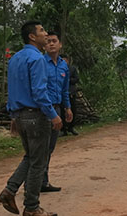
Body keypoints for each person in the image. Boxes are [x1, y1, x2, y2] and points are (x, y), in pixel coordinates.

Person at [0, 21, 61, 216]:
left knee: (31, 157)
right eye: (42, 31)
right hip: (36, 117)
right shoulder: (37, 59)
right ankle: (32, 207)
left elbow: (13, 89)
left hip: (21, 116)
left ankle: (9, 191)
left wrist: (14, 115)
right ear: (32, 36)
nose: (45, 34)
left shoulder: (16, 58)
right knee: (38, 162)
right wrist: (53, 115)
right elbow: (40, 93)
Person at [41, 31, 73, 192]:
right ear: (44, 46)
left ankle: (43, 181)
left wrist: (67, 108)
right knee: (41, 147)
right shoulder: (40, 63)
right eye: (48, 42)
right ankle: (34, 182)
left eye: (54, 41)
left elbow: (64, 90)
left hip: (57, 108)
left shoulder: (63, 65)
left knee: (50, 147)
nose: (51, 44)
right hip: (43, 111)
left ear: (60, 44)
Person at [61, 54, 79, 136]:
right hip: (61, 94)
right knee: (62, 111)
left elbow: (76, 79)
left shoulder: (72, 69)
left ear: (68, 60)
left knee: (73, 110)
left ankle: (71, 127)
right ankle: (63, 129)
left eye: (65, 60)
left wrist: (67, 80)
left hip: (71, 92)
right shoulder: (58, 69)